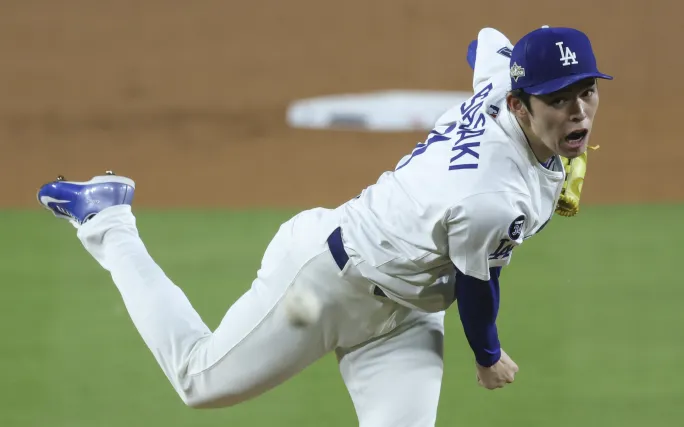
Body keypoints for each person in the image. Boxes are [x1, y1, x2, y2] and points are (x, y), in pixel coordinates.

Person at [37, 25, 612, 427]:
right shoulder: (491, 198)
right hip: (324, 282)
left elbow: (484, 40)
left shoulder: (501, 84)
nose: (579, 111)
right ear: (518, 105)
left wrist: (543, 137)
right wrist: (487, 357)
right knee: (198, 382)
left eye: (586, 93)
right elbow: (477, 289)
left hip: (406, 316)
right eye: (558, 100)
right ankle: (108, 218)